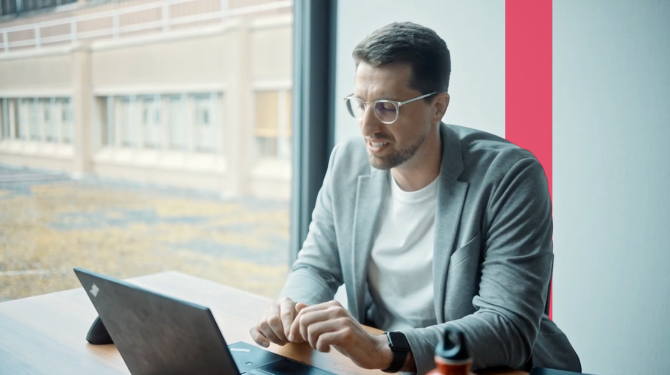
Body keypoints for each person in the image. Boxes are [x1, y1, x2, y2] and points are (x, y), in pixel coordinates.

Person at [249, 22, 581, 374]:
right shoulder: (347, 162)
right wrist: (293, 310)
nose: (366, 127)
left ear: (438, 106)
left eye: (387, 107)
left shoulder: (509, 176)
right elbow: (316, 266)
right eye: (360, 104)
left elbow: (507, 328)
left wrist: (384, 348)